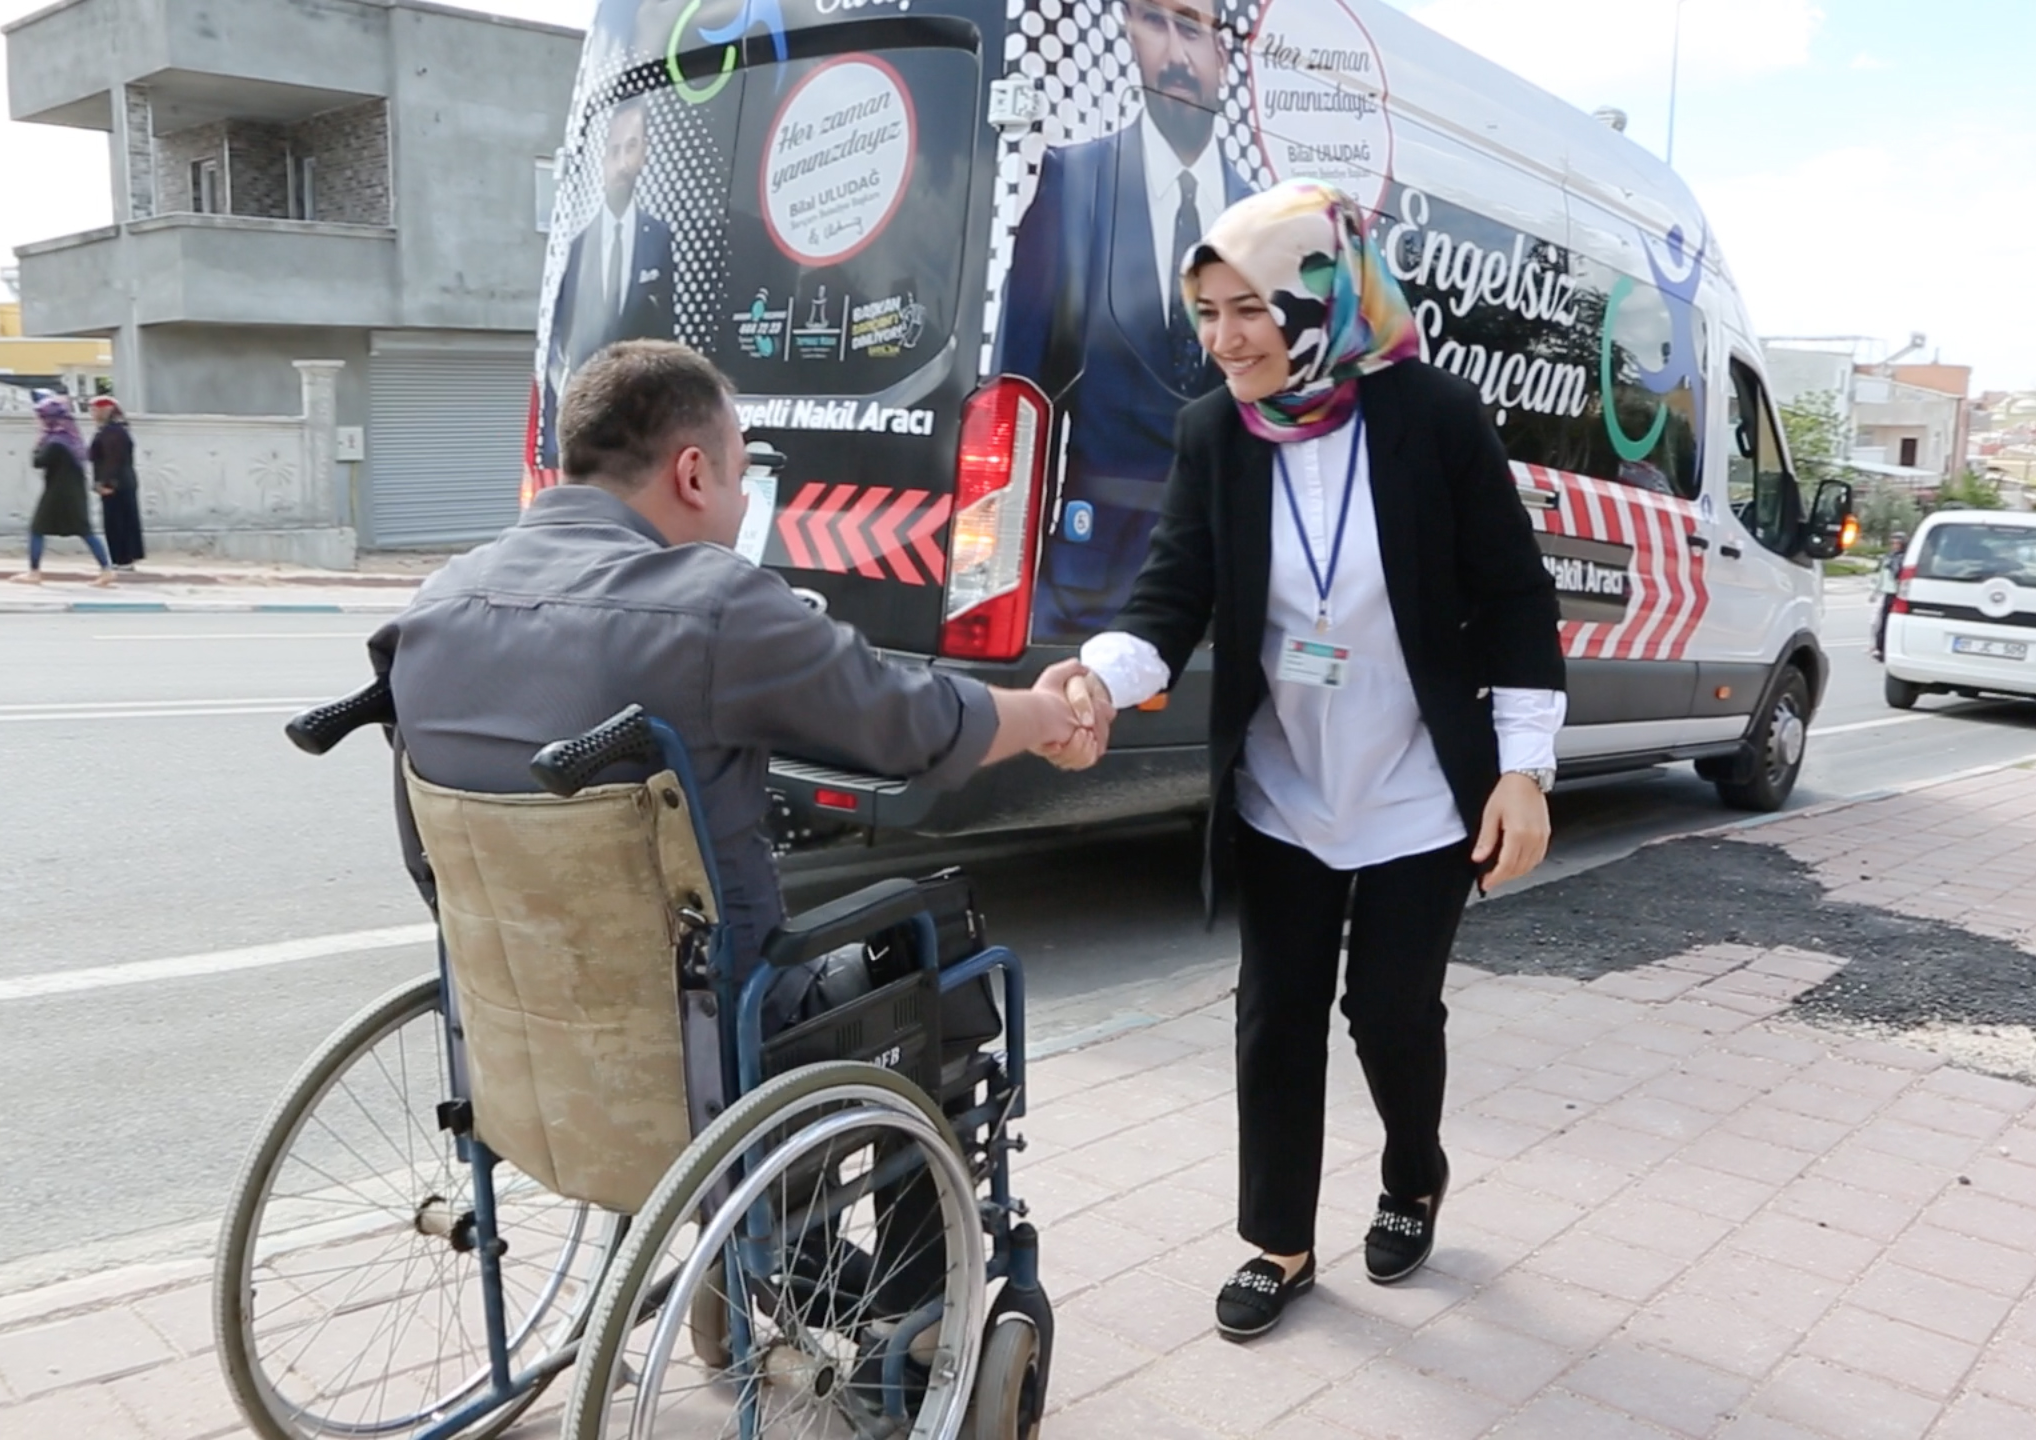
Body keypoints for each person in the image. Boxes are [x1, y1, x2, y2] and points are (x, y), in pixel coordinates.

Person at [1042, 181, 1568, 1341]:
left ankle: (1412, 1171)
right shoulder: (1214, 433)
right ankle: (1278, 1242)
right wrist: (1099, 676)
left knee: (1389, 1012)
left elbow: (1516, 595)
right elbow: (1170, 596)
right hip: (1285, 781)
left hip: (1419, 784)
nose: (1225, 340)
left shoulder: (1432, 415)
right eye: (1207, 313)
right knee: (1275, 1012)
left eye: (1249, 309)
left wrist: (1521, 767)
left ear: (1318, 300)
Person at [375, 339, 1093, 1002]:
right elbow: (914, 727)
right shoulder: (713, 605)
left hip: (518, 1026)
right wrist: (1046, 713)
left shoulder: (435, 603)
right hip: (715, 1035)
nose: (746, 501)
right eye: (741, 475)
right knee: (945, 955)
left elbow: (423, 864)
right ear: (692, 474)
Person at [995, 0, 1256, 640]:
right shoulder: (1074, 182)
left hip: (1233, 602)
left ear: (1224, 51)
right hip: (1085, 594)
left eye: (1191, 27)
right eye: (1152, 22)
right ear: (1128, 34)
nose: (1174, 54)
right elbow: (1014, 401)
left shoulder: (1263, 219)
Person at [539, 93, 677, 469]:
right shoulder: (575, 248)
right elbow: (556, 350)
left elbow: (669, 341)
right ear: (600, 159)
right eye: (613, 150)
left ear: (644, 153)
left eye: (630, 148)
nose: (620, 163)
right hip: (593, 445)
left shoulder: (660, 239)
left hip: (644, 439)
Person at [17, 396, 115, 587]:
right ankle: (106, 570)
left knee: (37, 529)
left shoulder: (54, 443)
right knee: (85, 531)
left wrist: (38, 444)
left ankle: (34, 572)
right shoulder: (71, 440)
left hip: (56, 494)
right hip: (75, 493)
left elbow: (38, 462)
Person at [87, 397, 146, 572]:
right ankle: (122, 559)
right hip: (122, 482)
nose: (92, 414)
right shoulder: (115, 430)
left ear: (105, 410)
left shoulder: (113, 432)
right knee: (119, 520)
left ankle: (122, 559)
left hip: (117, 484)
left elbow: (113, 460)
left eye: (95, 410)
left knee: (117, 521)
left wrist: (107, 483)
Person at [1869, 531, 1906, 661]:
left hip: (1896, 594)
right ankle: (1878, 647)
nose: (1895, 545)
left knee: (1889, 622)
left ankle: (1883, 649)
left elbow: (1900, 576)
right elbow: (1881, 577)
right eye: (1893, 542)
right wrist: (1875, 592)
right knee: (1877, 622)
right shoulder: (1888, 557)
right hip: (1886, 593)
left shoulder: (1903, 558)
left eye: (1898, 543)